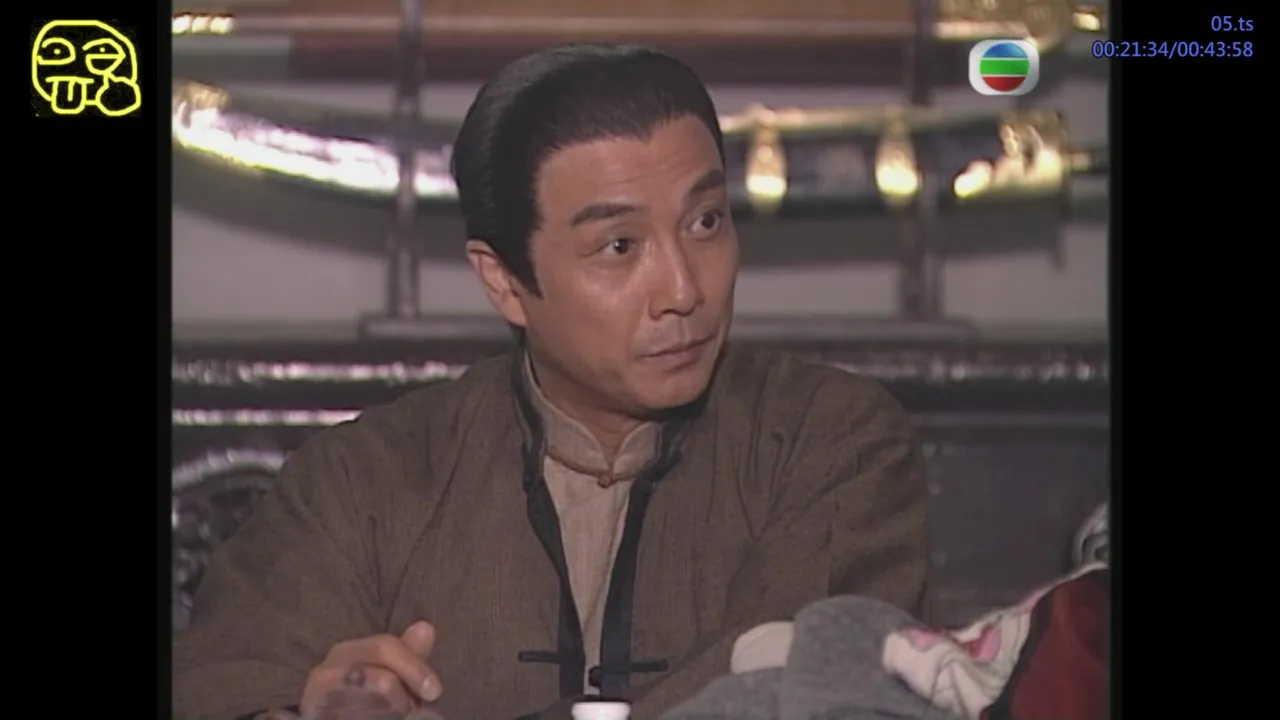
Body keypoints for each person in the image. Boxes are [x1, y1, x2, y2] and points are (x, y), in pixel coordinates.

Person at [173, 43, 930, 720]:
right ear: (504, 282)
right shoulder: (363, 481)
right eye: (619, 246)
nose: (683, 290)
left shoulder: (830, 439)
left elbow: (796, 679)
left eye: (705, 222)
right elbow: (227, 684)